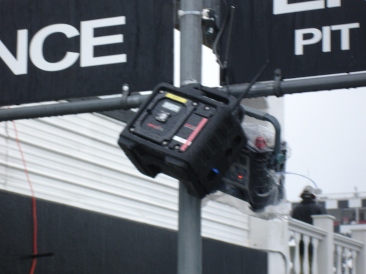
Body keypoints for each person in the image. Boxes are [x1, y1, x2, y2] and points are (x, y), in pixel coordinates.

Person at [291, 186, 327, 273]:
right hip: (319, 246)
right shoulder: (319, 208)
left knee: (302, 268)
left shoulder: (296, 209)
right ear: (313, 196)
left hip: (300, 245)